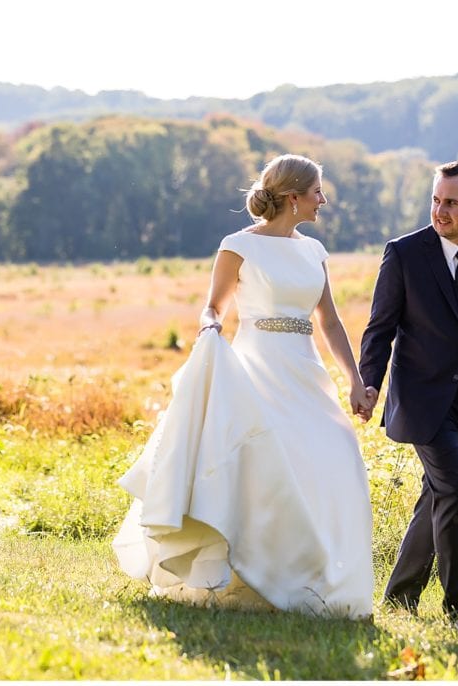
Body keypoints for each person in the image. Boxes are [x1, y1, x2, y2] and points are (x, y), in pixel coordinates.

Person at [113, 154, 376, 619]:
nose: (323, 200)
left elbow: (329, 321)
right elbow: (212, 306)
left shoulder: (314, 251)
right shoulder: (238, 245)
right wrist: (210, 328)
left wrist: (355, 380)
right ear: (293, 198)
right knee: (263, 467)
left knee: (336, 452)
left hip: (305, 371)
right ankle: (250, 575)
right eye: (318, 191)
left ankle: (315, 578)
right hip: (256, 368)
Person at [358, 161, 458, 629]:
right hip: (423, 399)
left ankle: (400, 596)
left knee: (439, 497)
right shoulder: (404, 254)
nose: (439, 211)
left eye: (450, 202)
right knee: (454, 491)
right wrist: (371, 382)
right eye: (435, 200)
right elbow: (380, 328)